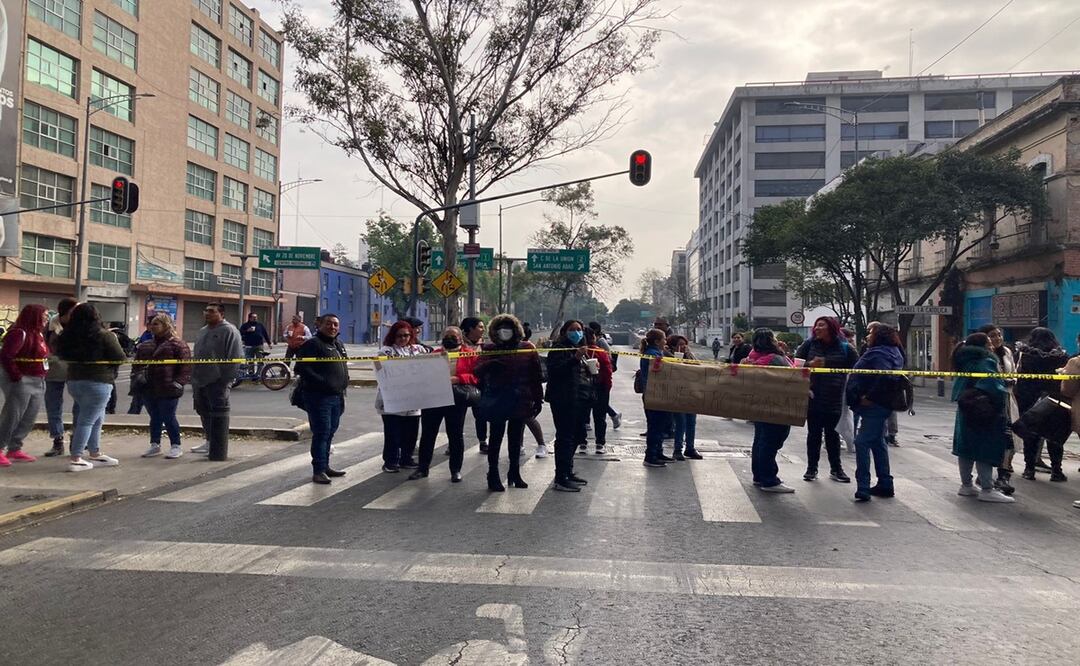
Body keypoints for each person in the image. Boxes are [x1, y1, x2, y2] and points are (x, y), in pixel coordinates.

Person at [475, 314, 543, 491]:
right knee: (496, 439)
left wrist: (538, 399)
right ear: (495, 331)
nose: (504, 331)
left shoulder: (527, 348)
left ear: (516, 330)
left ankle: (514, 472)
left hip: (520, 399)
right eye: (500, 328)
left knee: (515, 439)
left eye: (508, 328)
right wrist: (490, 365)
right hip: (497, 400)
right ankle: (493, 474)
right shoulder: (489, 349)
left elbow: (536, 376)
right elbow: (477, 371)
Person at [58, 304, 126, 472]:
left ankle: (94, 453)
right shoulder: (105, 336)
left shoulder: (68, 336)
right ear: (96, 316)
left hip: (74, 381)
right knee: (87, 420)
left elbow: (61, 354)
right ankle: (76, 458)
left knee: (95, 418)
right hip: (99, 381)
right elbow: (120, 357)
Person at [950, 333, 1015, 503]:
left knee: (966, 448)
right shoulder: (986, 360)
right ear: (985, 345)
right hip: (984, 409)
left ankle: (966, 485)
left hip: (966, 406)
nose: (992, 345)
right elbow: (992, 385)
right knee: (984, 447)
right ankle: (987, 487)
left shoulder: (963, 358)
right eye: (989, 342)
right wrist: (1005, 386)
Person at [845, 324, 905, 502]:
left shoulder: (880, 353)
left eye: (871, 333)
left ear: (879, 335)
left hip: (875, 404)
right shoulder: (893, 351)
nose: (868, 336)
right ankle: (885, 483)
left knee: (862, 442)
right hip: (882, 404)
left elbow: (883, 376)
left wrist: (869, 397)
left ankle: (863, 486)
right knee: (878, 442)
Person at [795, 317, 858, 483]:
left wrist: (828, 363)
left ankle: (836, 469)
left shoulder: (845, 347)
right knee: (814, 434)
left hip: (835, 397)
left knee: (832, 435)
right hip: (813, 397)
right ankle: (811, 469)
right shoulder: (808, 345)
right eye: (816, 325)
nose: (817, 328)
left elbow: (858, 367)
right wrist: (810, 364)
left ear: (831, 327)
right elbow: (796, 366)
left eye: (821, 325)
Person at [413, 326, 477, 482]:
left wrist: (458, 379)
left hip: (456, 398)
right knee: (428, 434)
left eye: (453, 336)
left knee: (455, 435)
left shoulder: (469, 354)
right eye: (446, 336)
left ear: (461, 339)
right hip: (433, 398)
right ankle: (423, 468)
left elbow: (476, 377)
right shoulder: (434, 354)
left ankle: (455, 470)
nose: (450, 338)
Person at [295, 314, 349, 484]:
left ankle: (325, 466)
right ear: (320, 325)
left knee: (330, 432)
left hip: (337, 396)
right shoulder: (312, 344)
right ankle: (318, 470)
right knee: (321, 433)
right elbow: (301, 367)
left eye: (335, 324)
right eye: (329, 324)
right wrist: (323, 382)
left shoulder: (338, 344)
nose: (332, 327)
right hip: (318, 397)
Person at [740, 328, 796, 492]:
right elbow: (793, 376)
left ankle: (759, 475)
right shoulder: (775, 359)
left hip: (758, 404)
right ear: (770, 341)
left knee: (761, 440)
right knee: (772, 440)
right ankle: (769, 479)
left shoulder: (752, 357)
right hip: (777, 404)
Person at [132, 314, 192, 460]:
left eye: (156, 324)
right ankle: (155, 444)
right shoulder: (146, 345)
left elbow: (185, 367)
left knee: (168, 416)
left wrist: (178, 383)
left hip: (168, 388)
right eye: (152, 324)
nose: (152, 327)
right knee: (155, 417)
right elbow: (136, 365)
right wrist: (138, 378)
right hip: (149, 388)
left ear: (166, 325)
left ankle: (175, 445)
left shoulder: (177, 344)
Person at [1015, 326, 1069, 482]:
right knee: (1054, 435)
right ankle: (1057, 471)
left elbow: (1020, 378)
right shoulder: (1061, 356)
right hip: (1054, 400)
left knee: (1030, 435)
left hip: (1029, 399)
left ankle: (1029, 469)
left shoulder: (1024, 355)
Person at [545, 320, 595, 491]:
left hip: (581, 398)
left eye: (579, 330)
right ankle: (561, 476)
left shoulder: (582, 348)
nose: (576, 333)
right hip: (564, 399)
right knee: (565, 437)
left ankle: (568, 470)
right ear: (565, 331)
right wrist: (575, 359)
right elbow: (555, 370)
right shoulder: (560, 349)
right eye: (572, 330)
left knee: (578, 435)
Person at [190, 303, 244, 460]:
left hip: (218, 381)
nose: (207, 313)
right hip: (200, 379)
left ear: (221, 313)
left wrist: (225, 379)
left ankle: (217, 445)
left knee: (218, 412)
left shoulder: (229, 330)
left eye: (211, 311)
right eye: (205, 310)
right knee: (203, 411)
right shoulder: (203, 331)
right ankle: (208, 440)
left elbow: (235, 357)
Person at [0, 304, 50, 466]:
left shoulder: (38, 334)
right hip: (22, 379)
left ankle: (15, 447)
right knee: (12, 415)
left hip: (38, 379)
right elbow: (6, 356)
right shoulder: (18, 333)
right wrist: (17, 376)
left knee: (29, 416)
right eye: (44, 315)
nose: (46, 318)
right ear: (35, 316)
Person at [377, 320, 428, 473]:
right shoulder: (386, 351)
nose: (403, 338)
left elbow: (429, 363)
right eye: (399, 336)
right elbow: (382, 370)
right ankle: (390, 461)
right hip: (392, 399)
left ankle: (407, 458)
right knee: (393, 433)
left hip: (413, 399)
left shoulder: (418, 349)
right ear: (393, 336)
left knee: (411, 433)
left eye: (406, 335)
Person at [978, 324, 1020, 495]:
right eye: (992, 336)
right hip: (990, 402)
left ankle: (1004, 475)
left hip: (1008, 401)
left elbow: (1015, 372)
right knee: (991, 438)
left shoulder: (1007, 353)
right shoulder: (983, 356)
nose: (997, 338)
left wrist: (1012, 381)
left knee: (1010, 439)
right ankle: (984, 475)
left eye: (999, 335)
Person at [42, 297, 77, 457]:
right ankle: (57, 440)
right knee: (53, 405)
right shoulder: (50, 326)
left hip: (76, 369)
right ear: (65, 312)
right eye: (73, 310)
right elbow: (43, 345)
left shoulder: (81, 324)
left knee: (80, 405)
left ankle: (77, 439)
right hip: (54, 370)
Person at [638, 328, 671, 469]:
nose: (665, 341)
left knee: (659, 425)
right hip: (654, 393)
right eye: (663, 339)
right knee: (655, 426)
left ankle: (658, 452)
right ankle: (651, 456)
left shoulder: (656, 352)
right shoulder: (653, 354)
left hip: (655, 392)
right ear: (657, 341)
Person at [667, 335, 702, 460]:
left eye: (684, 344)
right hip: (677, 393)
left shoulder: (688, 354)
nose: (682, 347)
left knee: (691, 421)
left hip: (690, 392)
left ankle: (690, 448)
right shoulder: (668, 354)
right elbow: (676, 367)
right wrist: (677, 354)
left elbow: (698, 366)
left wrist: (689, 354)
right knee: (680, 422)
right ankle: (677, 449)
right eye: (680, 344)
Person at [582, 327, 614, 455]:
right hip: (600, 387)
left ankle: (582, 443)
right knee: (600, 417)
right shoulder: (600, 352)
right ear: (593, 337)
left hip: (582, 388)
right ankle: (600, 444)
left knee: (582, 417)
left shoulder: (576, 351)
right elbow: (607, 370)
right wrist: (607, 387)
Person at [461, 317, 488, 453]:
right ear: (471, 329)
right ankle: (453, 443)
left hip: (479, 384)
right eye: (480, 327)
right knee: (458, 416)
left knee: (480, 414)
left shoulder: (485, 345)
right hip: (460, 383)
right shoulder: (458, 344)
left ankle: (483, 441)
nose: (483, 330)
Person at [588, 322, 621, 429]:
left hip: (600, 375)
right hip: (591, 375)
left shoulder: (601, 342)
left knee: (597, 400)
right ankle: (613, 415)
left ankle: (613, 415)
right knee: (593, 400)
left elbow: (608, 356)